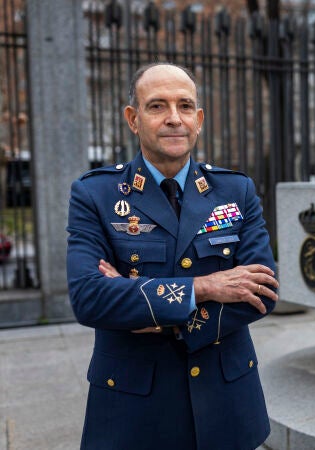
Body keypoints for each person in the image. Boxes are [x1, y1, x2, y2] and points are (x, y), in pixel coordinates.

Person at [66, 62, 279, 450]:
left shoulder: (236, 191)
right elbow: (89, 297)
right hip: (134, 411)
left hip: (227, 405)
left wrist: (158, 315)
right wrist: (205, 287)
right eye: (157, 106)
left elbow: (261, 291)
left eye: (184, 106)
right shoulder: (95, 195)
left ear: (198, 119)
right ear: (133, 119)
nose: (174, 119)